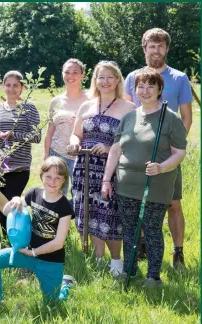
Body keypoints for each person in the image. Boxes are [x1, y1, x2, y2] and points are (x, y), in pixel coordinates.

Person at [103, 68, 187, 287]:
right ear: (134, 89)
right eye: (141, 86)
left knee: (152, 229)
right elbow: (115, 150)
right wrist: (106, 180)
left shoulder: (170, 119)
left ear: (160, 89)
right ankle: (130, 271)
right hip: (125, 185)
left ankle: (153, 277)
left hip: (156, 184)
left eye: (151, 86)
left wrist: (161, 167)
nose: (145, 91)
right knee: (129, 230)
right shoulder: (129, 117)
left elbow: (179, 153)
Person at [123, 28, 193, 268]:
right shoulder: (132, 78)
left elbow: (186, 117)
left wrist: (174, 147)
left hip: (168, 154)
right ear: (144, 49)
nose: (156, 50)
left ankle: (178, 252)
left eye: (160, 46)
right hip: (137, 153)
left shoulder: (179, 78)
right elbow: (128, 113)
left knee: (172, 203)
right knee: (137, 199)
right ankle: (142, 245)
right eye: (151, 46)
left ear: (167, 49)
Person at [67, 61, 136, 276]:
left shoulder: (129, 108)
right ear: (95, 80)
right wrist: (74, 142)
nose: (105, 82)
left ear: (117, 80)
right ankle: (98, 260)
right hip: (84, 167)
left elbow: (133, 142)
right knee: (90, 212)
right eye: (101, 77)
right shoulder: (86, 105)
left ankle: (116, 263)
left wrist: (109, 147)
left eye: (110, 77)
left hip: (111, 169)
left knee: (110, 213)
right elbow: (77, 133)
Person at [0, 157, 75, 304]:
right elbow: (13, 207)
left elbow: (58, 243)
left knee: (52, 304)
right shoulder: (34, 194)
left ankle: (65, 287)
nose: (53, 181)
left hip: (50, 261)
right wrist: (17, 199)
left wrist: (33, 252)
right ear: (41, 176)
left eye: (58, 178)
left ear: (64, 180)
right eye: (49, 176)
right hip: (27, 253)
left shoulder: (65, 207)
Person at [0, 70, 41, 236]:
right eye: (8, 85)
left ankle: (18, 237)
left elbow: (36, 136)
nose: (11, 89)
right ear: (3, 86)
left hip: (19, 167)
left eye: (15, 85)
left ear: (22, 87)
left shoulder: (28, 108)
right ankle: (6, 240)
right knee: (1, 206)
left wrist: (13, 135)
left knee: (11, 204)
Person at [44, 59, 89, 198]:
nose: (71, 76)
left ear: (82, 75)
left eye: (75, 72)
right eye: (67, 72)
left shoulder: (90, 100)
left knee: (80, 195)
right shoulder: (56, 101)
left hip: (81, 155)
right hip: (57, 153)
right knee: (56, 194)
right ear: (62, 74)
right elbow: (50, 131)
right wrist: (46, 156)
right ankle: (57, 220)